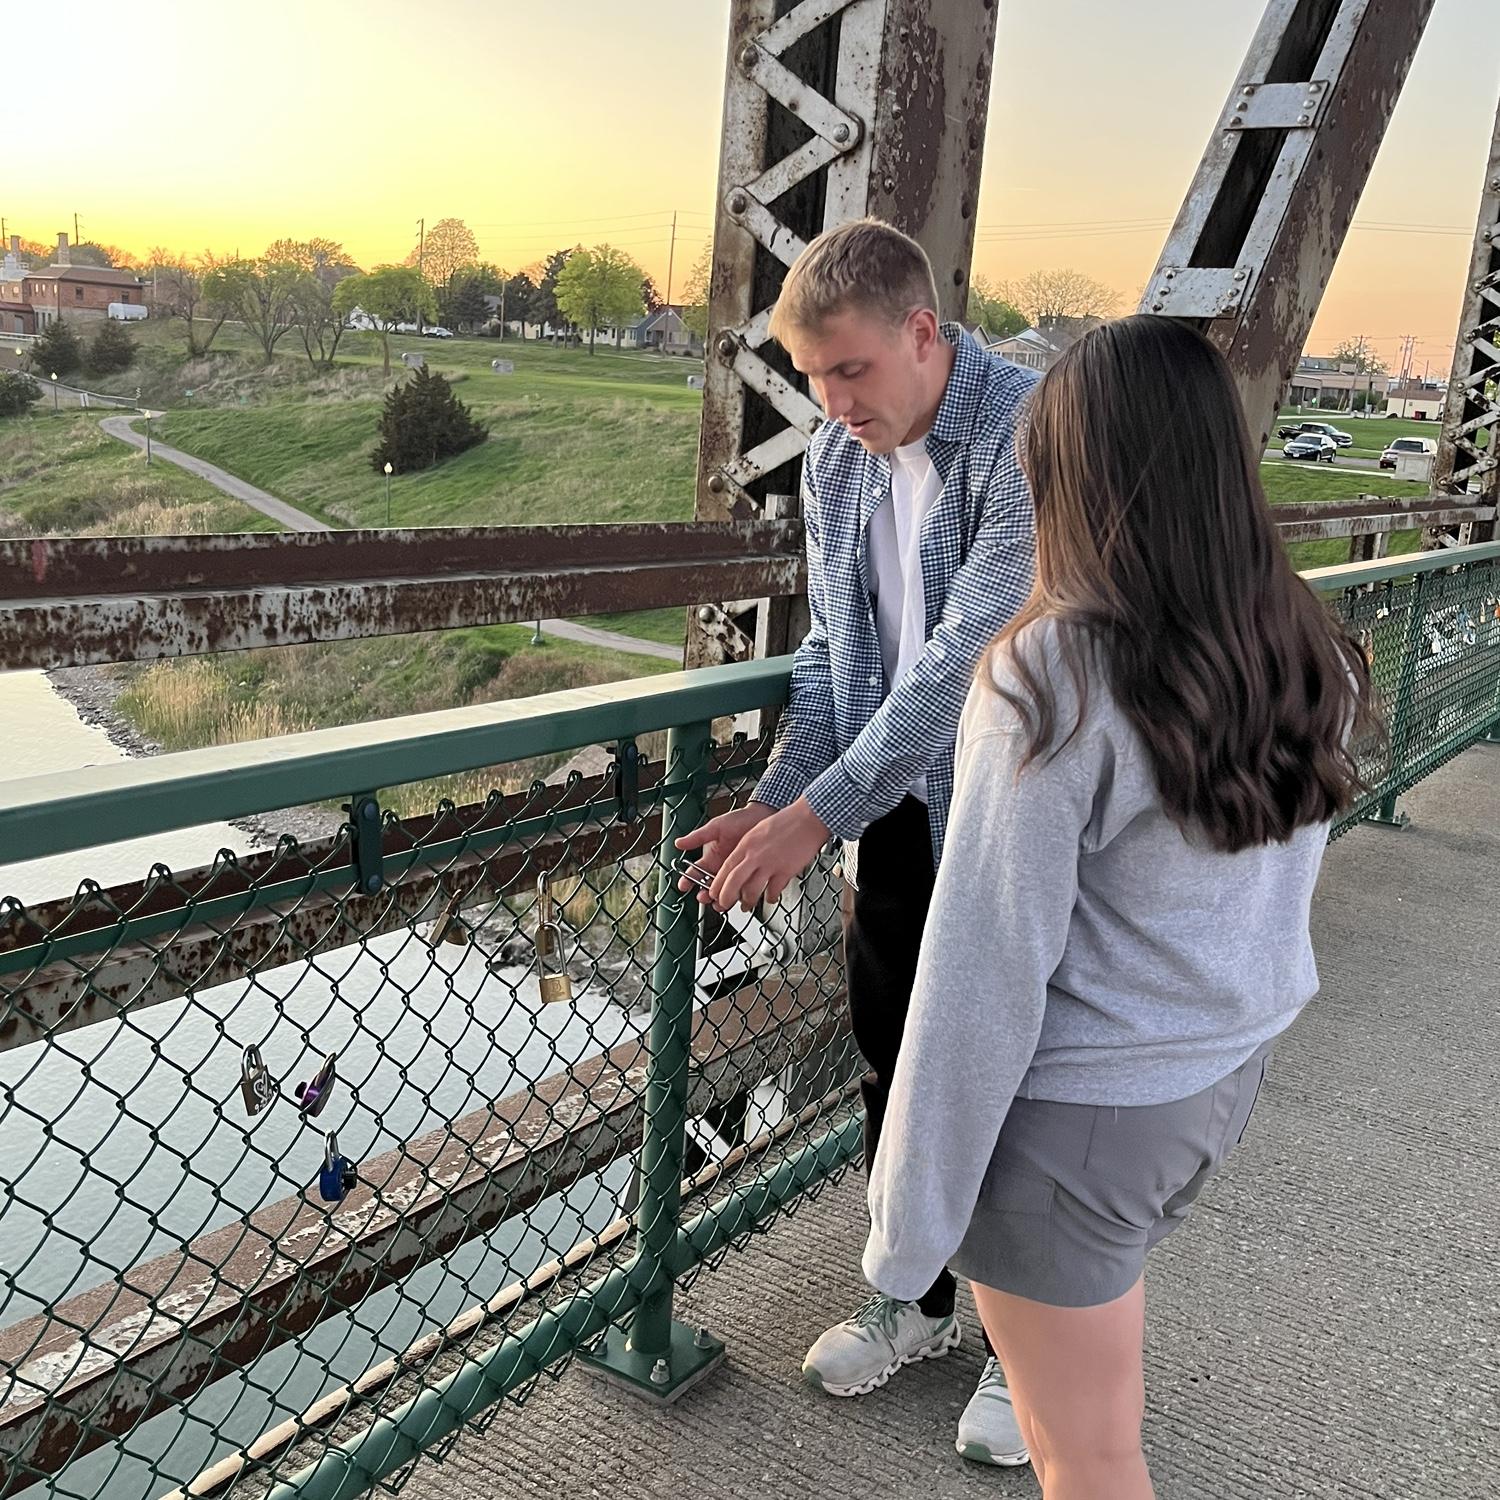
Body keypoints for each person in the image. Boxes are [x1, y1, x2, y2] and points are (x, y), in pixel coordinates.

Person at [863, 314, 1381, 1499]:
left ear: (1071, 476)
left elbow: (982, 970)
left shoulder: (1050, 676)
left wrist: (906, 1228)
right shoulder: (1299, 642)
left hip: (1078, 1125)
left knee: (1087, 1461)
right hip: (1212, 1081)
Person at [674, 217, 1040, 1466]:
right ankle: (916, 1298)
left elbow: (968, 659)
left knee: (1014, 1078)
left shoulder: (1028, 433)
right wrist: (782, 795)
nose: (832, 405)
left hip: (1013, 817)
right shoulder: (841, 459)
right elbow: (839, 653)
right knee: (892, 1054)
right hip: (894, 823)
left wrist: (814, 814)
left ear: (923, 332)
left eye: (851, 370)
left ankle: (1024, 1346)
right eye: (812, 379)